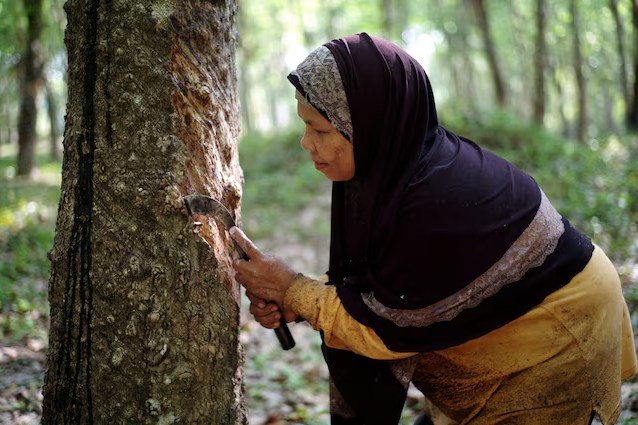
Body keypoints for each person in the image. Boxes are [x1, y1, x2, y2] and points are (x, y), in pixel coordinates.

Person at [230, 33, 637, 425]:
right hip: (498, 332)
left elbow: (389, 328)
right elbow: (400, 285)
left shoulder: (436, 198)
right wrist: (297, 300)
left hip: (557, 335)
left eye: (319, 129)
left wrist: (294, 291)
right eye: (305, 126)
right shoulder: (389, 178)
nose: (306, 143)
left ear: (370, 126)